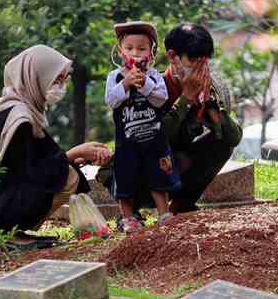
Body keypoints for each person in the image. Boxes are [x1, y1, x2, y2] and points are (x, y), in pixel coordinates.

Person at [0, 45, 111, 250]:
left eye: (63, 80)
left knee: (66, 170)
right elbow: (32, 173)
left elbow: (31, 161)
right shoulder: (19, 119)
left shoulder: (11, 107)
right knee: (68, 177)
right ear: (35, 77)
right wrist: (72, 154)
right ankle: (7, 232)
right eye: (55, 80)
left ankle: (12, 231)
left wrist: (72, 157)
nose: (60, 86)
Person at [99, 23, 242, 223]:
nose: (200, 69)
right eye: (192, 61)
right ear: (173, 57)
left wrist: (209, 104)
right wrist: (184, 99)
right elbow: (154, 136)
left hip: (173, 167)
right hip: (143, 169)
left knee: (220, 146)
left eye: (204, 62)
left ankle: (181, 205)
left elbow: (232, 138)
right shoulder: (151, 86)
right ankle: (131, 214)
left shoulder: (207, 87)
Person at [105, 21, 179, 234]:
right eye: (129, 48)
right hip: (127, 142)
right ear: (120, 52)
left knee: (159, 176)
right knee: (125, 178)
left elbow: (160, 100)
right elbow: (111, 100)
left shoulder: (155, 76)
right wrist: (126, 84)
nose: (135, 54)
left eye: (141, 49)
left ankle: (164, 213)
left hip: (154, 140)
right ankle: (128, 218)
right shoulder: (115, 77)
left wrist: (144, 83)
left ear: (151, 53)